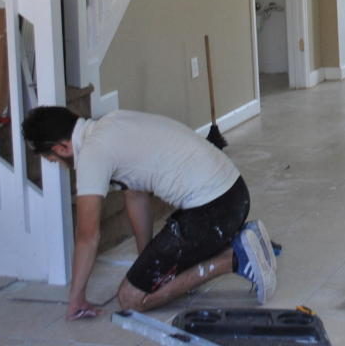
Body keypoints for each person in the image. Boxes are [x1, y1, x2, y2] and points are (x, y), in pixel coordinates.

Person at [21, 106, 276, 320]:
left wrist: (76, 299)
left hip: (212, 211)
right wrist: (150, 263)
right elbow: (136, 196)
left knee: (131, 298)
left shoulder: (92, 153)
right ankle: (242, 238)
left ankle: (234, 257)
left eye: (52, 159)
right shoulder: (113, 122)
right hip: (234, 195)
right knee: (161, 276)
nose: (56, 165)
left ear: (62, 147)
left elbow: (88, 236)